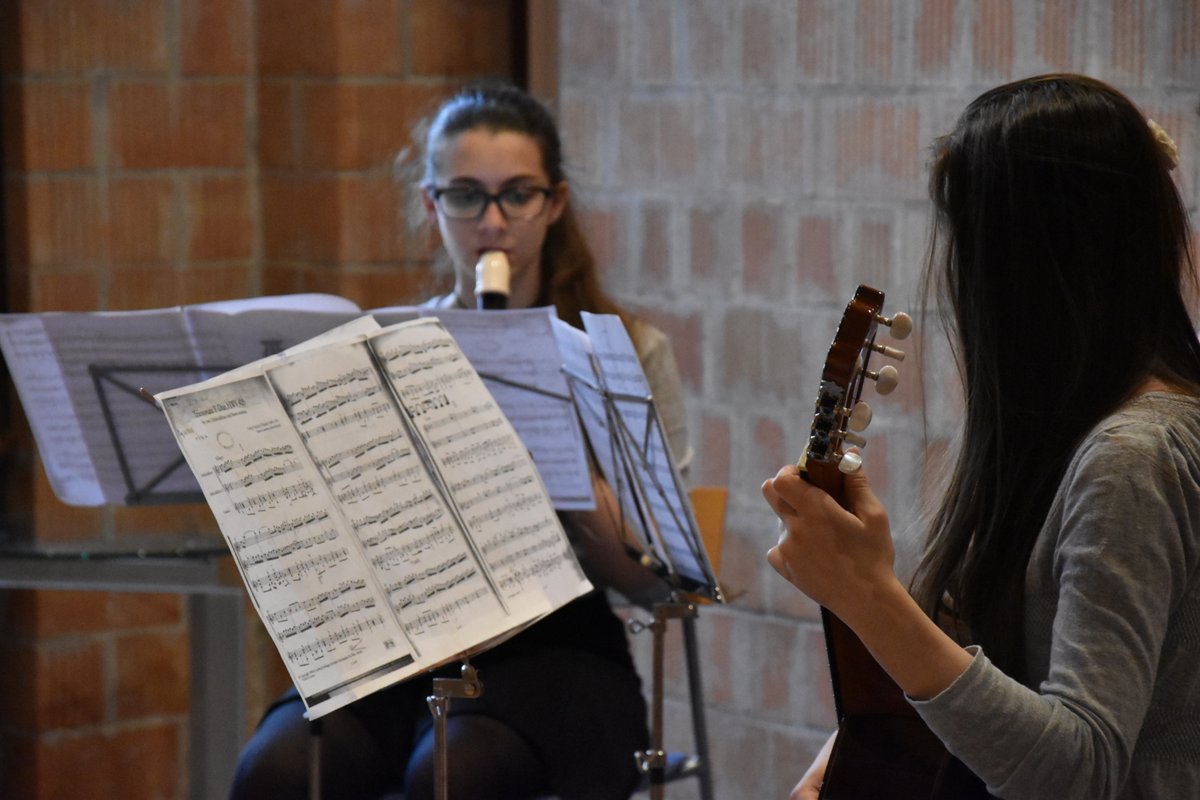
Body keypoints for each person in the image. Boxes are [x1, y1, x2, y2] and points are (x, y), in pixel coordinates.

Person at [229, 82, 691, 800]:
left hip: (554, 646)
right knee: (278, 770)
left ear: (555, 203)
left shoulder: (621, 352)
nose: (493, 222)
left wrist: (559, 463)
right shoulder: (387, 348)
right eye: (467, 196)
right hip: (405, 643)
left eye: (518, 195)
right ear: (431, 204)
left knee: (454, 774)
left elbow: (656, 581)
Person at [762, 74, 1200, 800]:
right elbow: (994, 681)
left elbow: (1080, 768)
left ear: (1023, 269)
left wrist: (868, 595)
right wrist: (847, 751)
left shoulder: (1133, 458)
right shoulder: (1087, 431)